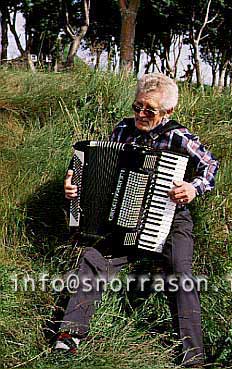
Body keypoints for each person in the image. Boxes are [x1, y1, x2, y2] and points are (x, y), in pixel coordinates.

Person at [56, 73, 219, 367]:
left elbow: (210, 165)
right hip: (126, 219)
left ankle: (194, 357)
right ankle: (69, 338)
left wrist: (192, 188)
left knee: (181, 273)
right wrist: (72, 181)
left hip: (172, 219)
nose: (141, 114)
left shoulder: (178, 136)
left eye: (150, 110)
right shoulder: (123, 130)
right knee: (93, 260)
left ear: (168, 112)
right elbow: (88, 163)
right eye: (137, 106)